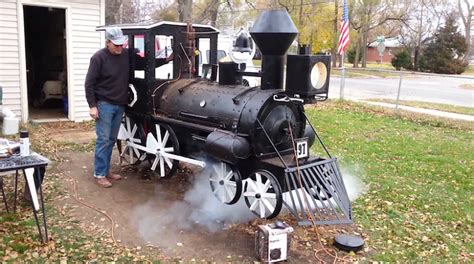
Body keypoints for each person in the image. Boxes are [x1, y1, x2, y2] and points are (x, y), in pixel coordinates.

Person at [85, 27, 128, 188]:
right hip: (104, 105)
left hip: (120, 105)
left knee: (111, 139)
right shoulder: (98, 58)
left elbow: (145, 62)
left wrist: (167, 59)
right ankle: (99, 174)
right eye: (116, 45)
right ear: (108, 42)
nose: (119, 47)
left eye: (121, 44)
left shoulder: (125, 54)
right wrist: (92, 106)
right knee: (103, 140)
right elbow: (89, 84)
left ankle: (106, 170)